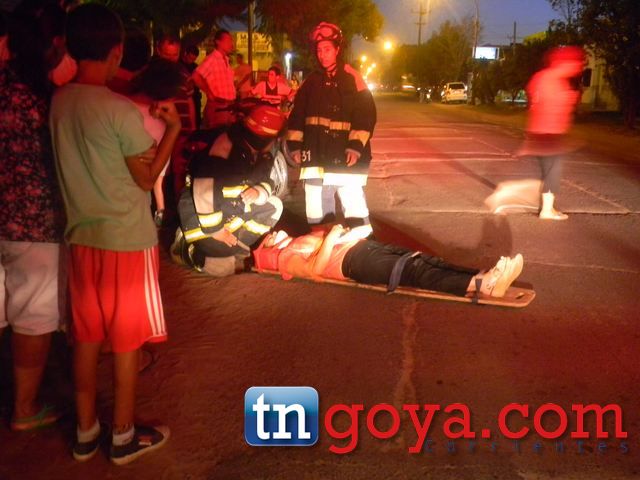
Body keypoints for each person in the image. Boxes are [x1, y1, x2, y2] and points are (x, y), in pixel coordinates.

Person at [49, 4, 180, 465]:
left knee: (85, 338)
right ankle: (123, 436)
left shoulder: (60, 102)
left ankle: (86, 432)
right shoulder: (118, 110)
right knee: (127, 342)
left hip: (82, 239)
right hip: (126, 239)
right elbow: (147, 178)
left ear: (70, 47)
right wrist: (173, 128)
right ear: (116, 51)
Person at [1, 11, 65, 433]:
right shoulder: (49, 100)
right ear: (53, 46)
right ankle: (25, 407)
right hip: (35, 221)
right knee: (32, 317)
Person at [254, 225, 524, 299]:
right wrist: (333, 236)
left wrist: (343, 234)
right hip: (352, 263)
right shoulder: (285, 259)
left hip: (358, 248)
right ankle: (483, 285)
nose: (274, 232)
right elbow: (314, 271)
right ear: (268, 249)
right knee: (412, 270)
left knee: (421, 259)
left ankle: (484, 275)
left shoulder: (293, 242)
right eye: (270, 237)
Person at [172, 105, 286, 276]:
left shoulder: (261, 153)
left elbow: (266, 179)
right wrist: (215, 230)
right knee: (222, 269)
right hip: (202, 214)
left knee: (274, 206)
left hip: (232, 210)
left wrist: (258, 191)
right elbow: (204, 189)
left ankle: (233, 248)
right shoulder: (225, 146)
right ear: (266, 138)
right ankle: (186, 246)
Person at [287, 22, 376, 237]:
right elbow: (297, 115)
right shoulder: (311, 82)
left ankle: (364, 247)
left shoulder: (353, 78)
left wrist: (355, 146)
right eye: (319, 50)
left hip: (345, 156)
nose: (322, 55)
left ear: (337, 50)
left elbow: (366, 115)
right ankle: (322, 245)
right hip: (315, 156)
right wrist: (295, 146)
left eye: (327, 49)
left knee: (354, 207)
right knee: (316, 210)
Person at [519, 46, 585, 220]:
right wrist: (568, 99)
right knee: (552, 173)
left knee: (550, 171)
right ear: (563, 63)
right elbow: (550, 107)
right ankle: (546, 210)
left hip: (542, 132)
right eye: (575, 63)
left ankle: (548, 208)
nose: (577, 67)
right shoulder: (553, 81)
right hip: (549, 133)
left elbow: (535, 103)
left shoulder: (541, 78)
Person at [128, 58, 186, 228]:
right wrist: (175, 126)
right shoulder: (164, 111)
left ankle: (159, 211)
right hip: (130, 204)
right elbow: (147, 179)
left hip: (124, 197)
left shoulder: (125, 105)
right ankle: (160, 212)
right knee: (156, 182)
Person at [193, 29, 235, 128]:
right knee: (218, 133)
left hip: (228, 107)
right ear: (218, 42)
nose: (231, 44)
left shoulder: (226, 60)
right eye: (228, 40)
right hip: (219, 106)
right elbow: (196, 76)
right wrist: (209, 92)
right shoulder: (212, 59)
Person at [180, 43, 202, 128]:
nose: (191, 61)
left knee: (196, 120)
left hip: (195, 96)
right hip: (183, 97)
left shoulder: (195, 67)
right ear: (185, 53)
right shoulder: (179, 65)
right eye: (190, 58)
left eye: (194, 59)